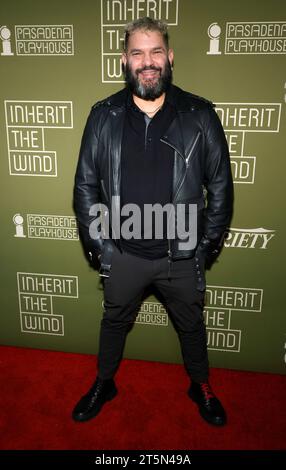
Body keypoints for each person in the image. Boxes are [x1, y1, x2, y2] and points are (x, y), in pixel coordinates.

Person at [73, 17, 233, 426]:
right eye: (138, 53)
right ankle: (104, 382)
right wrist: (100, 244)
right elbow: (85, 187)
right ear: (125, 60)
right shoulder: (103, 116)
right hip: (124, 252)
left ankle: (200, 384)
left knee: (192, 326)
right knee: (113, 322)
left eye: (156, 51)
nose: (148, 62)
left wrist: (204, 245)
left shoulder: (200, 114)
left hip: (180, 254)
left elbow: (220, 187)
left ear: (170, 57)